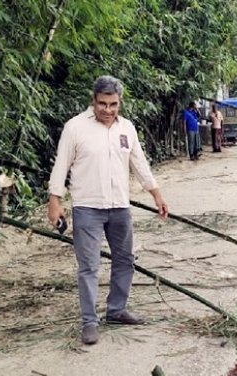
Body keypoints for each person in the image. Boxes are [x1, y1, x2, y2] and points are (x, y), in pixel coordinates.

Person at [47, 75, 168, 345]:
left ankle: (116, 310)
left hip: (120, 208)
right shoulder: (75, 128)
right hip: (87, 208)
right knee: (89, 266)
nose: (108, 110)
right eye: (102, 104)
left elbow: (139, 164)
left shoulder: (127, 129)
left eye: (113, 104)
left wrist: (156, 194)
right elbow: (61, 166)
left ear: (120, 102)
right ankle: (89, 321)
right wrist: (55, 201)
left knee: (125, 260)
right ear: (93, 100)